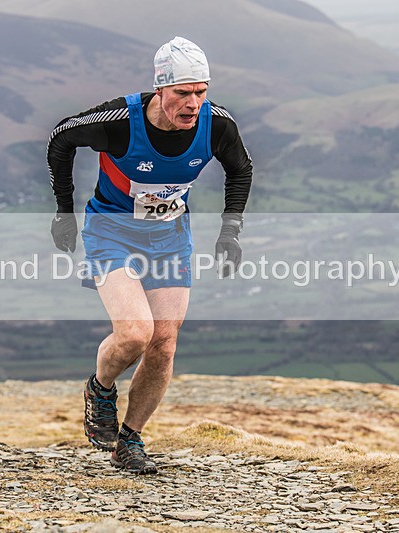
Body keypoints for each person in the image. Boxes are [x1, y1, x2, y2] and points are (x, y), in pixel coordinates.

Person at [46, 36, 253, 474]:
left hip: (169, 237)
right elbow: (61, 137)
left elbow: (241, 169)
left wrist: (230, 231)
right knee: (135, 333)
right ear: (160, 89)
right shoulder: (121, 121)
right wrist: (64, 211)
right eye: (182, 92)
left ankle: (130, 440)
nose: (193, 103)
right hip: (111, 232)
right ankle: (101, 388)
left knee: (164, 342)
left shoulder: (217, 125)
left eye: (201, 92)